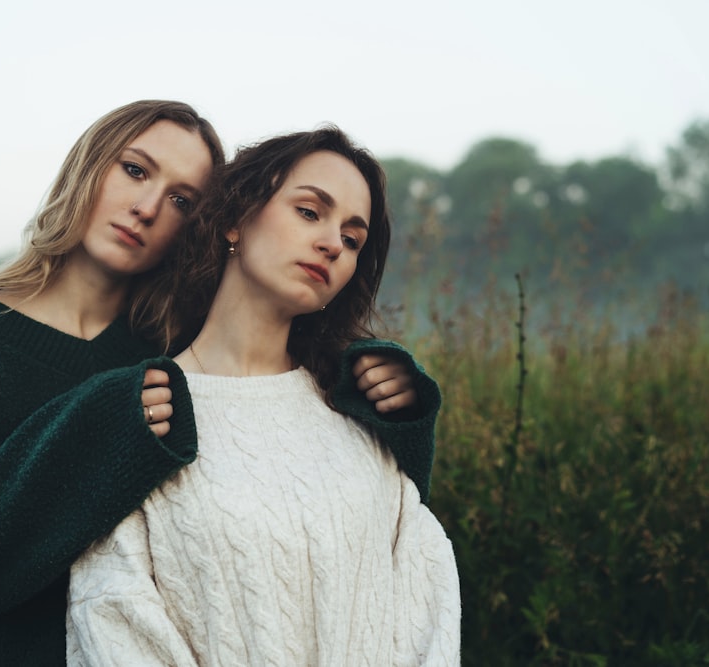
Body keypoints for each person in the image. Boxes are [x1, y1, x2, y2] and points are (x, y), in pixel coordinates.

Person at [0, 101, 441, 666]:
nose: (148, 207)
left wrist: (393, 403)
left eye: (182, 200)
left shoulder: (170, 346)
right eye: (134, 170)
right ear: (89, 164)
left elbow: (355, 497)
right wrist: (100, 426)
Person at [67, 126, 461, 665]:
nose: (330, 244)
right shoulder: (147, 416)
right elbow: (110, 615)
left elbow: (426, 599)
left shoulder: (362, 415)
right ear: (236, 217)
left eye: (352, 239)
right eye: (308, 212)